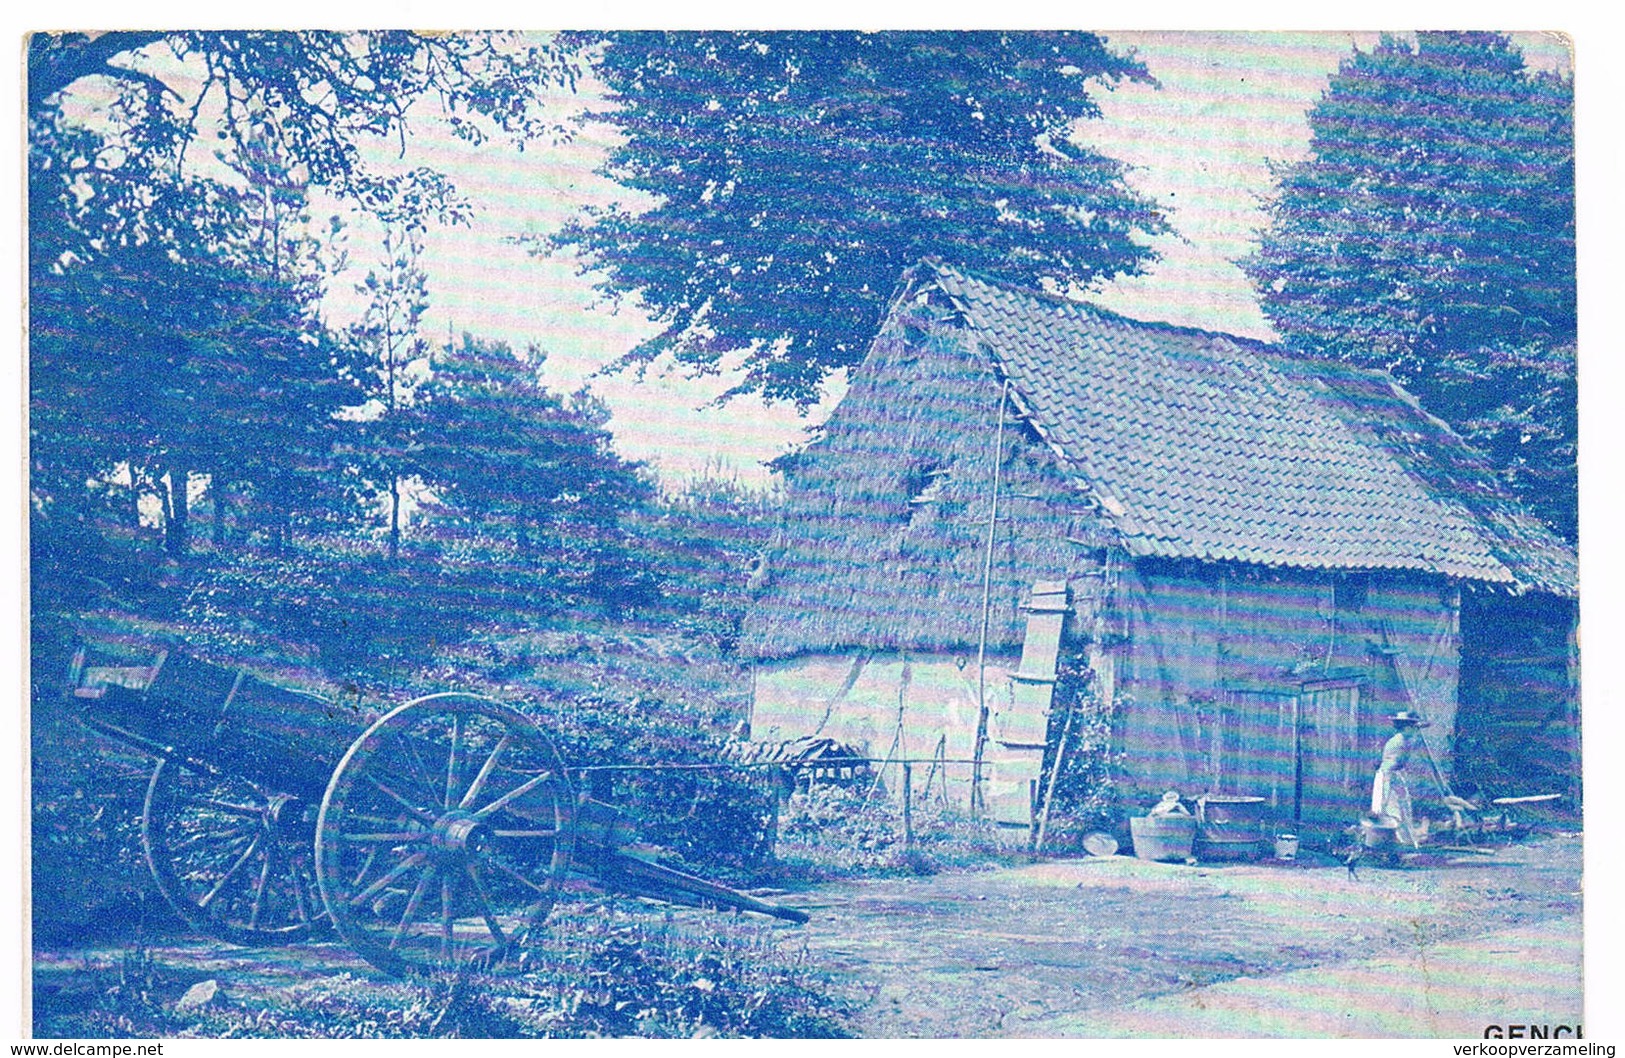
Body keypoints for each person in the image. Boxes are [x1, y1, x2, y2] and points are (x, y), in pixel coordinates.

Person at [1371, 710, 1429, 848]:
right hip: (1388, 776)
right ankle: (1391, 842)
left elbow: (1418, 728)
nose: (1415, 730)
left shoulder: (1404, 737)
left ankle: (1404, 840)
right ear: (1405, 727)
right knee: (1390, 809)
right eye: (1412, 727)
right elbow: (1398, 761)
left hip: (1395, 776)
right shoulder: (1400, 741)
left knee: (1403, 808)